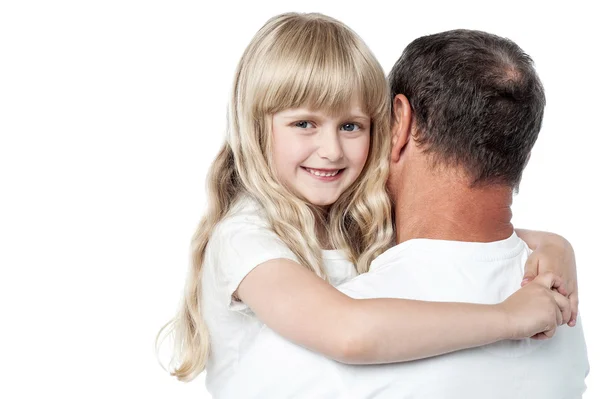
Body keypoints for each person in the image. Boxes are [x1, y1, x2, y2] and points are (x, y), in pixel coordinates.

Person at [157, 13, 580, 397]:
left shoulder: (353, 216)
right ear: (255, 127)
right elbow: (348, 332)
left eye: (351, 125)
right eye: (304, 123)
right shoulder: (244, 238)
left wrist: (558, 248)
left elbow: (481, 236)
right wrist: (507, 319)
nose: (331, 150)